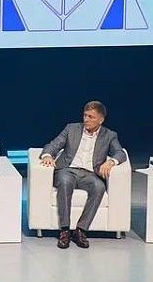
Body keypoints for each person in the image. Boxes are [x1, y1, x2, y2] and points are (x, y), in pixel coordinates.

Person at [38, 101, 128, 249]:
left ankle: (80, 230)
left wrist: (111, 162)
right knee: (65, 182)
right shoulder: (71, 128)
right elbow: (53, 145)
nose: (86, 119)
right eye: (85, 115)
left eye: (91, 117)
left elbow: (120, 153)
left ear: (101, 120)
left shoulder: (109, 135)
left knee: (99, 187)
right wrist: (47, 155)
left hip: (90, 174)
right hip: (67, 170)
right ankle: (65, 230)